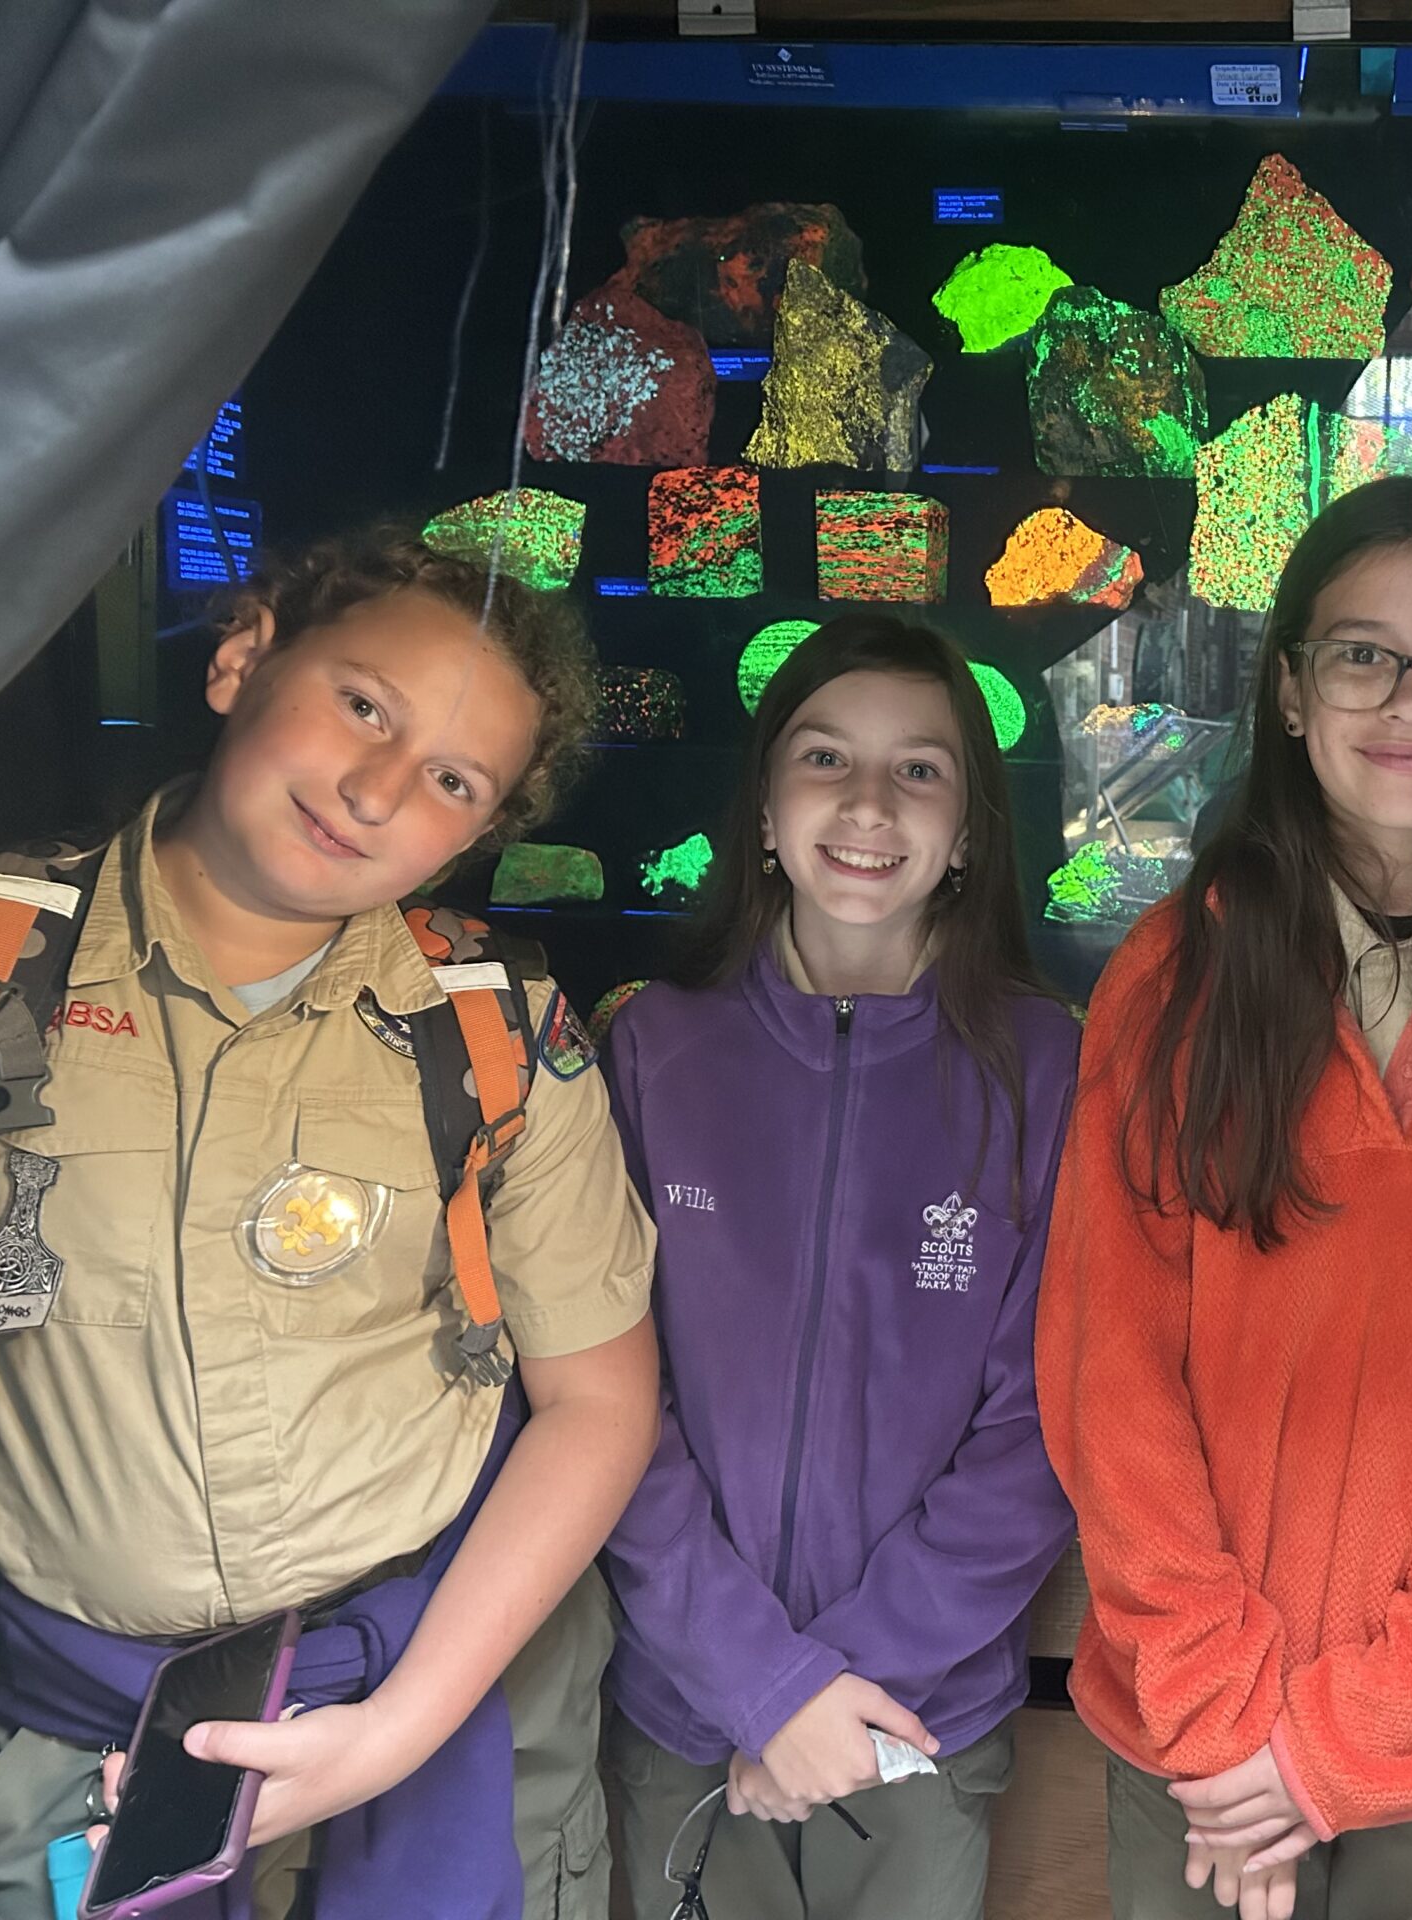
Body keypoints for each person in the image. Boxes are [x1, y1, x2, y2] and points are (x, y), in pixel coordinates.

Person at [0, 531, 660, 1919]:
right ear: (243, 657)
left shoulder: (497, 1032)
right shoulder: (13, 957)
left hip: (420, 1689)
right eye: (364, 705)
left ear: (478, 832)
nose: (375, 791)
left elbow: (598, 1402)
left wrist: (398, 1730)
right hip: (53, 1716)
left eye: (454, 781)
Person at [1039, 476, 1412, 1920]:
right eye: (1364, 653)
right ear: (1292, 688)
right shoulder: (1170, 981)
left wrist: (1342, 1741)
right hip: (1199, 1749)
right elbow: (1107, 1371)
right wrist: (1225, 1720)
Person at [599, 613, 1080, 1920]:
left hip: (916, 1720)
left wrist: (831, 1694)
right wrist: (762, 1686)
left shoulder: (1046, 1073)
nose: (870, 802)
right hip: (690, 1709)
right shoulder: (653, 1053)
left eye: (920, 769)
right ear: (764, 809)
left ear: (969, 831)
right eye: (825, 757)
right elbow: (607, 1405)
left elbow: (1043, 1425)